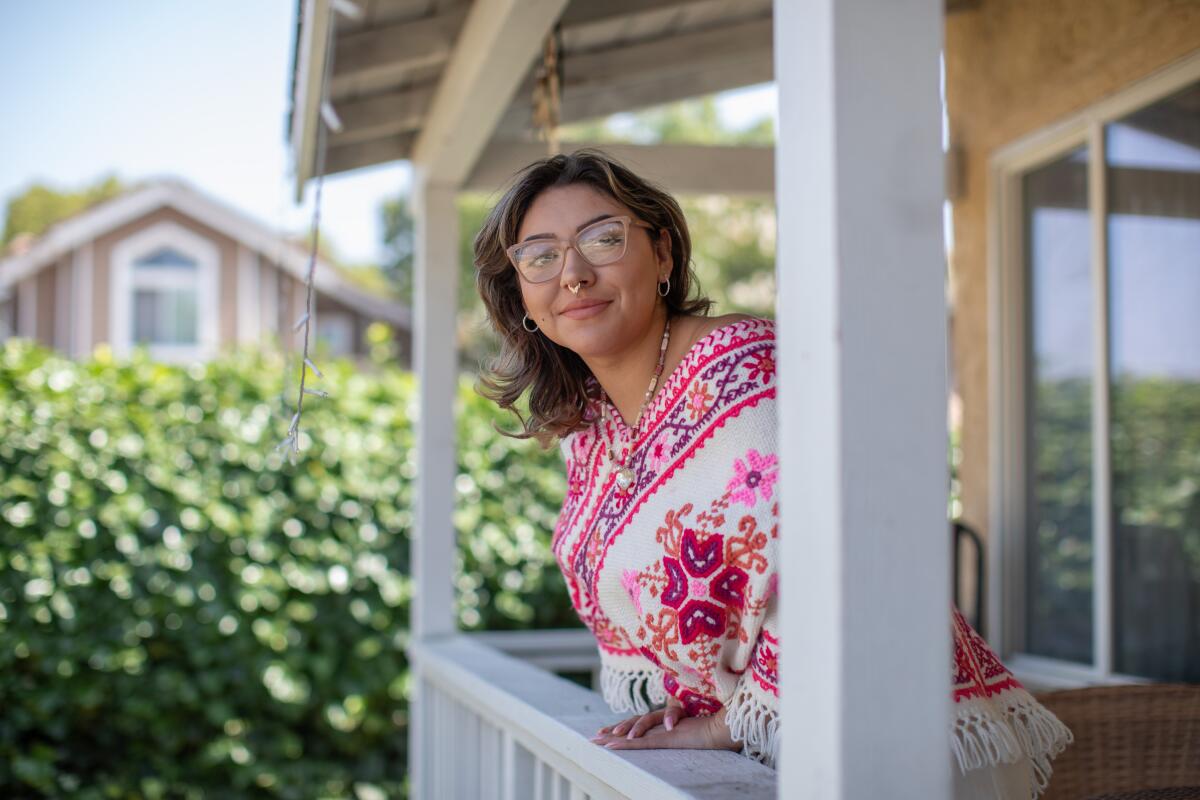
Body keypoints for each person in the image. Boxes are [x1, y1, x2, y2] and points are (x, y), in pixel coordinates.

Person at [472, 149, 1072, 797]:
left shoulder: (752, 372)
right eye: (540, 255)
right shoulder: (588, 430)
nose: (574, 274)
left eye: (604, 238)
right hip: (759, 759)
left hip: (876, 743)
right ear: (522, 293)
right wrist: (698, 706)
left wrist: (723, 727)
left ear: (664, 254)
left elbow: (843, 558)